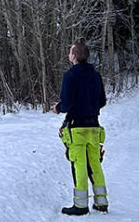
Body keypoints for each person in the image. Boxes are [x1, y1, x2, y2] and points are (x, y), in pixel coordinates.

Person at [50, 40, 108, 216]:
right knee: (95, 165)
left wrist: (57, 108)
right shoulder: (96, 76)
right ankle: (101, 202)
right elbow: (103, 101)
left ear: (74, 56)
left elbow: (67, 104)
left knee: (79, 165)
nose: (69, 54)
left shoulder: (70, 76)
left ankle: (80, 206)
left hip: (77, 128)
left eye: (70, 52)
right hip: (94, 127)